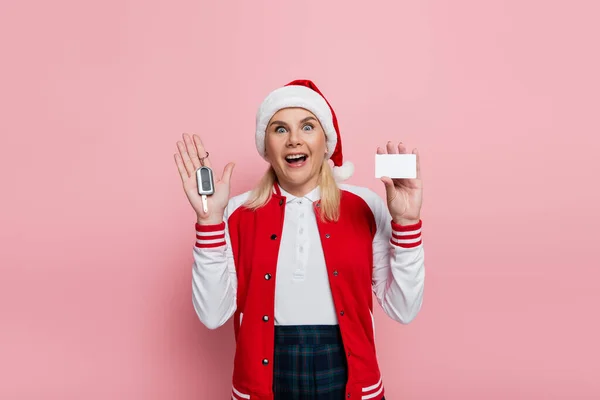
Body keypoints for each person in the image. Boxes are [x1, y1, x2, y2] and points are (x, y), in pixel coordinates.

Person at [174, 79, 425, 400]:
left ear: (327, 141)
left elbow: (404, 308)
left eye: (307, 127)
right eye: (280, 129)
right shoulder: (234, 211)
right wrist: (209, 222)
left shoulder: (366, 205)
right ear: (266, 146)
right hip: (266, 380)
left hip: (348, 377)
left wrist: (406, 223)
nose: (293, 139)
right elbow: (212, 315)